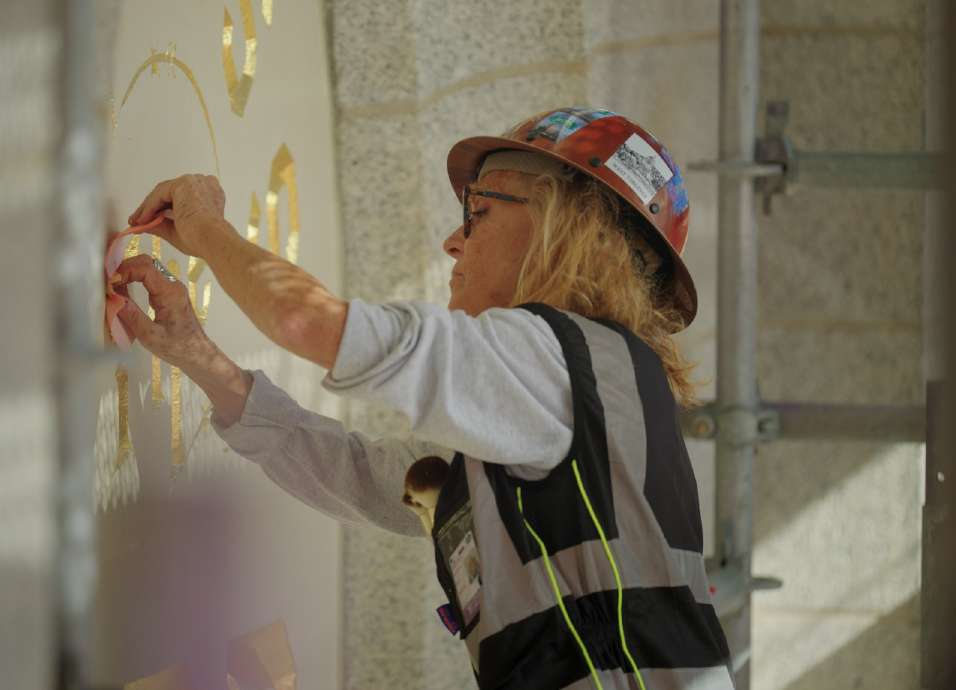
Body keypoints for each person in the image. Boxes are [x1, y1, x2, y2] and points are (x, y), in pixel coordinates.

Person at [114, 107, 733, 690]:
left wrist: (205, 228)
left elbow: (309, 323)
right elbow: (363, 476)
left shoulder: (564, 366)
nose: (453, 242)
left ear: (565, 226)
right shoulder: (575, 389)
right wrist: (199, 357)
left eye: (478, 212)